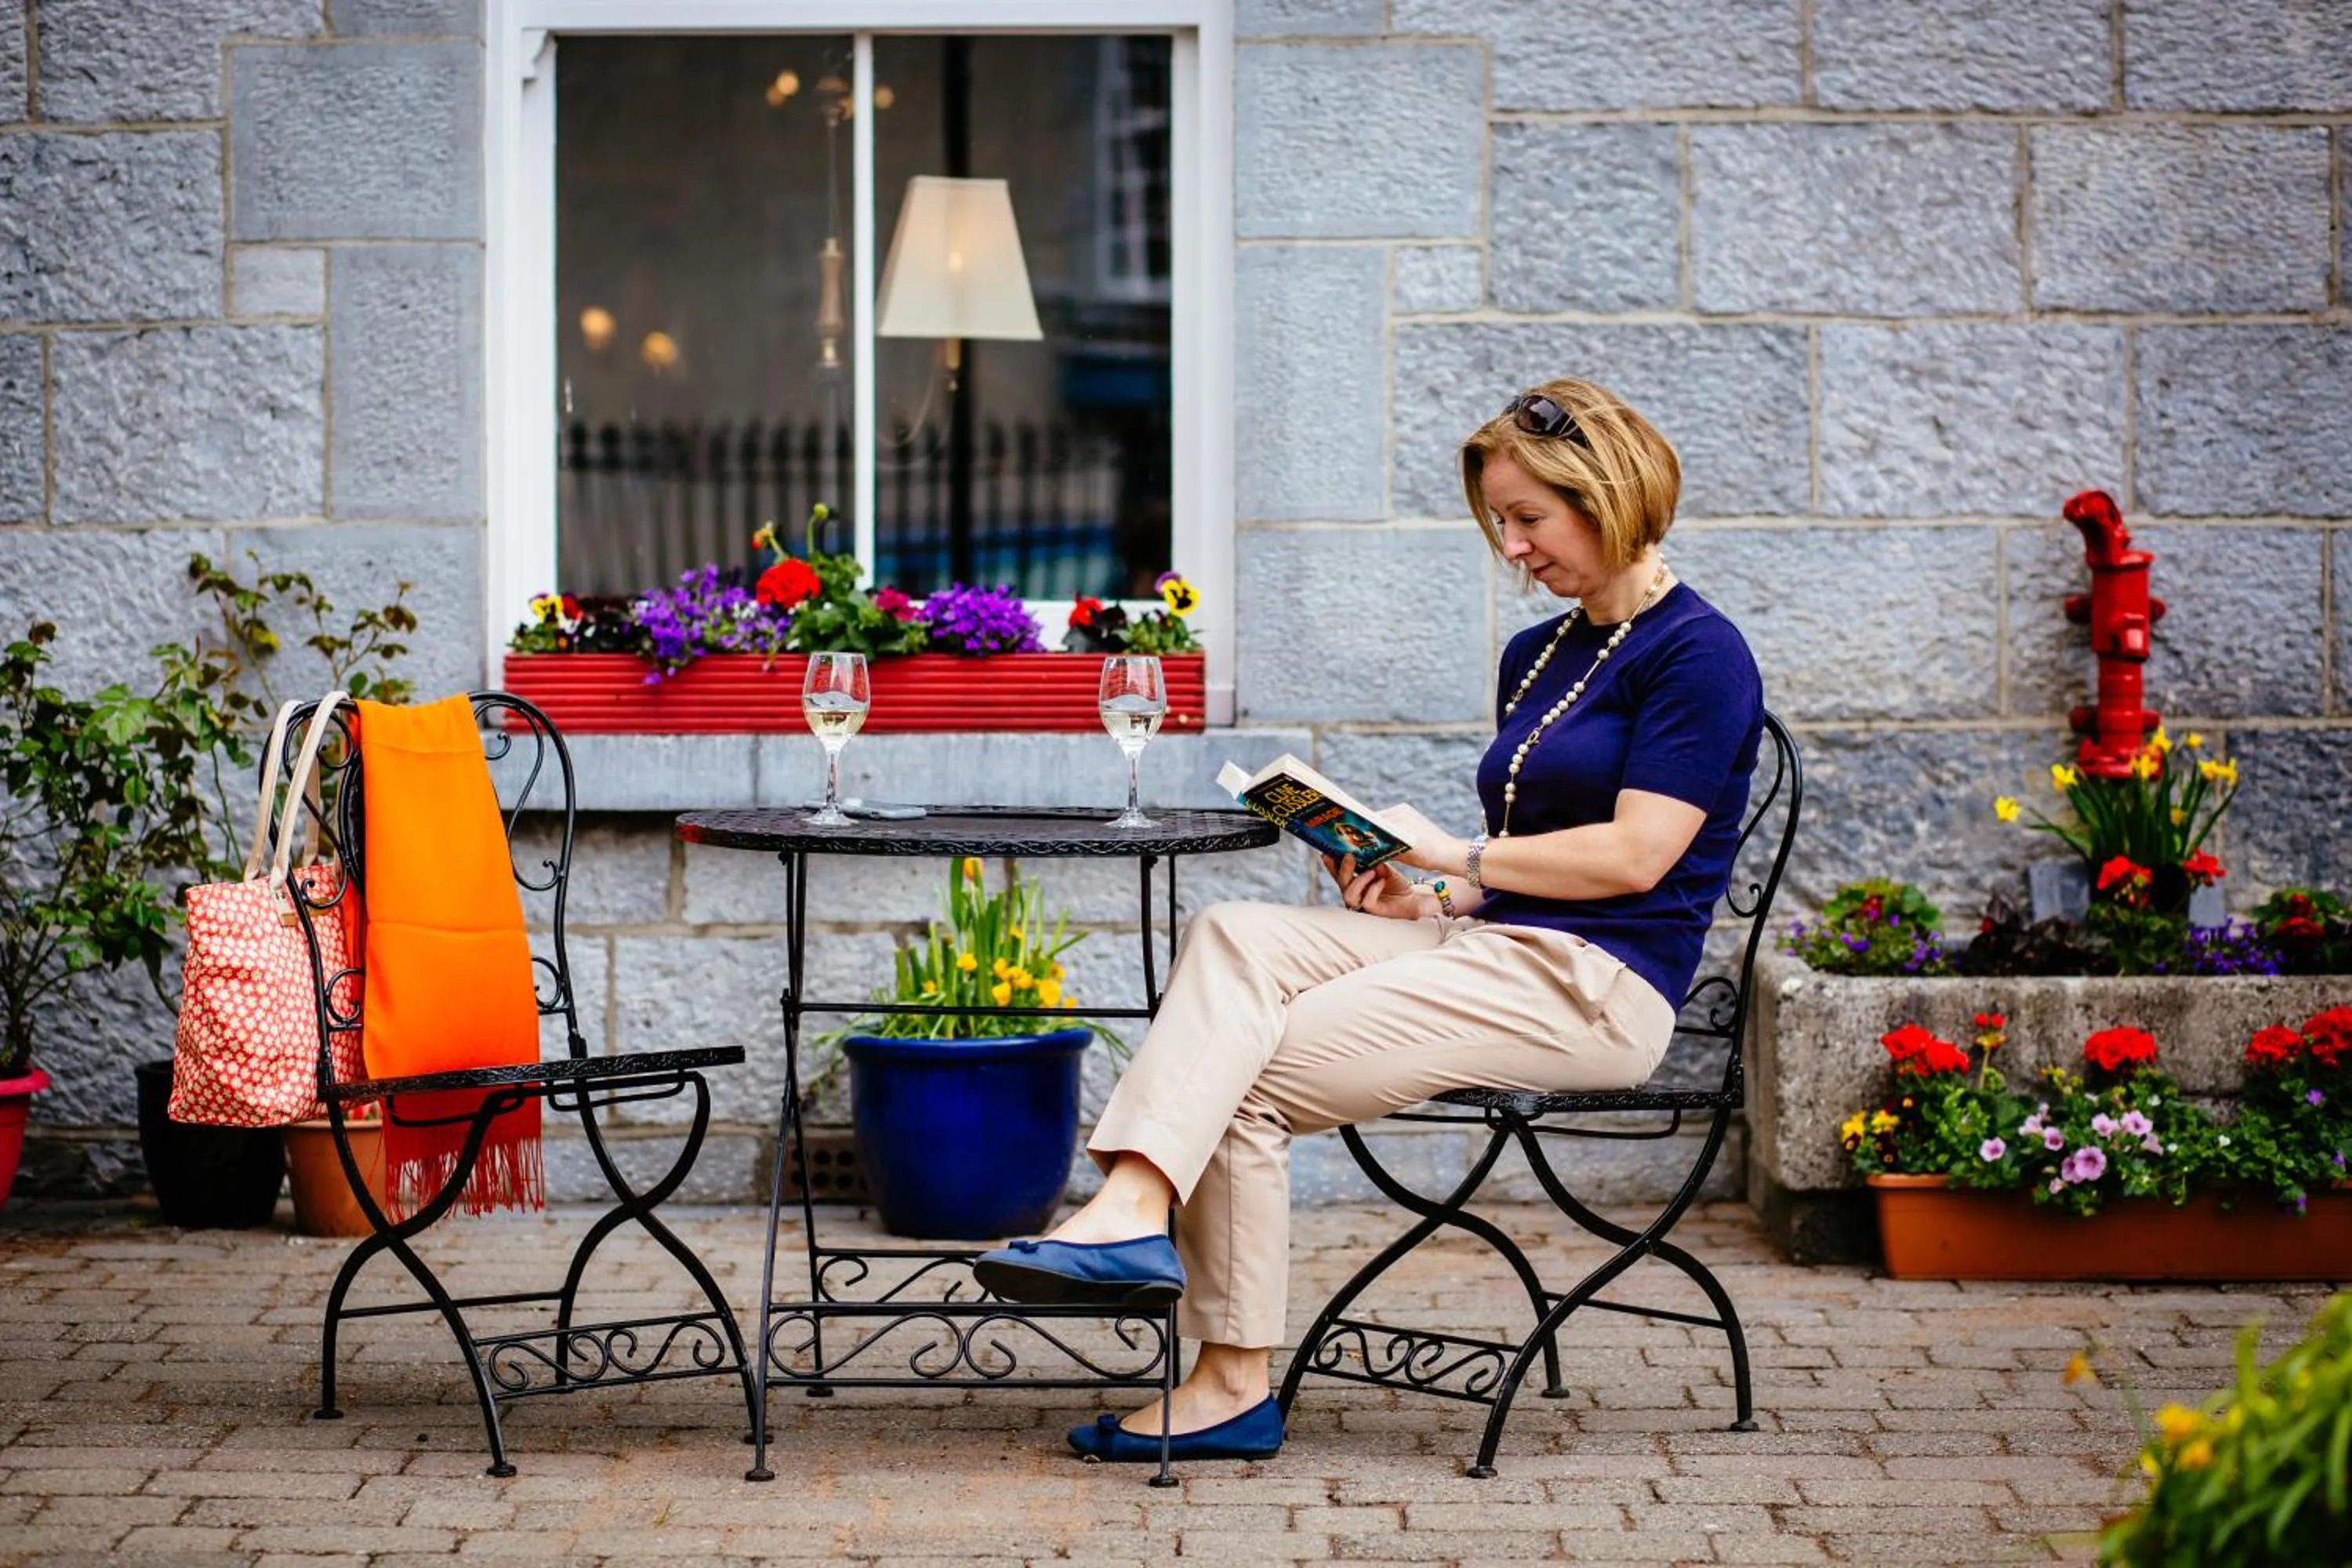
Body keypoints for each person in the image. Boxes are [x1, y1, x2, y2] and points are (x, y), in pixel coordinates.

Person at [975, 377, 1765, 1463]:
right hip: (1495, 941)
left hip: (1596, 983)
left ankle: (1223, 1372)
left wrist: (1453, 851)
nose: (1512, 547)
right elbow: (1514, 872)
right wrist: (1426, 889)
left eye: (1529, 518)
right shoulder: (1534, 656)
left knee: (1237, 1067)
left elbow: (1635, 855)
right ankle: (1133, 1208)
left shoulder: (1699, 652)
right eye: (1500, 521)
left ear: (1610, 495)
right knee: (1234, 938)